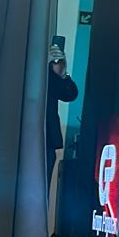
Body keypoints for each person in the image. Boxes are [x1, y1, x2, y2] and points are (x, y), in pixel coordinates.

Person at [46, 44, 78, 187]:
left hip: (47, 138)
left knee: (42, 186)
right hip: (22, 134)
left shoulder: (50, 73)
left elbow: (69, 94)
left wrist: (63, 74)